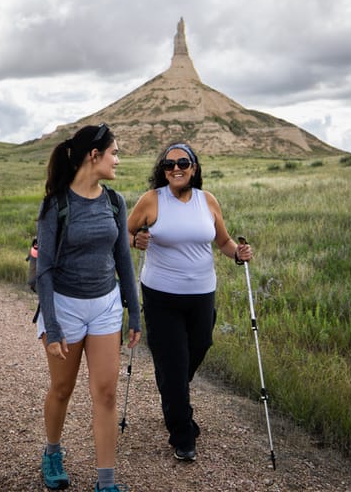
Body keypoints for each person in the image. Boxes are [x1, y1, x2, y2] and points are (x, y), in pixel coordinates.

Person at [127, 142, 252, 462]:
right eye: (169, 165)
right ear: (163, 170)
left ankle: (172, 392)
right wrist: (136, 239)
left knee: (197, 348)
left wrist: (237, 255)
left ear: (194, 168)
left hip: (201, 294)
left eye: (183, 162)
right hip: (161, 296)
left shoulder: (206, 201)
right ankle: (182, 434)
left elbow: (222, 241)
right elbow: (124, 235)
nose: (176, 168)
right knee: (173, 362)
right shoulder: (151, 200)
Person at [35, 123, 141, 492]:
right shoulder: (55, 205)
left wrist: (134, 310)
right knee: (61, 390)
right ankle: (51, 453)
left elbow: (123, 259)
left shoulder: (115, 202)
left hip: (106, 306)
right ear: (93, 156)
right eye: (114, 152)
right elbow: (44, 270)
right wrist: (52, 325)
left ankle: (106, 483)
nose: (118, 159)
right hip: (64, 307)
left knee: (106, 394)